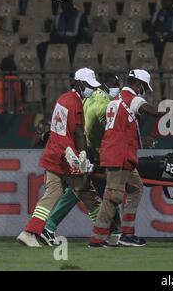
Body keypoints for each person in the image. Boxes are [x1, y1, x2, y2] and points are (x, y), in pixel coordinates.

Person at [17, 67, 102, 247]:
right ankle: (105, 232)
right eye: (88, 85)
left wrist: (80, 152)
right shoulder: (75, 103)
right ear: (79, 83)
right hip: (65, 157)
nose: (92, 89)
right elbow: (76, 132)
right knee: (87, 193)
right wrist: (79, 155)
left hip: (55, 154)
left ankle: (29, 232)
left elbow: (66, 130)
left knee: (53, 193)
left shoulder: (64, 99)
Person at [39, 74, 122, 245]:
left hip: (85, 150)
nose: (117, 88)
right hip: (90, 153)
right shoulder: (103, 104)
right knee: (80, 191)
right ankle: (49, 226)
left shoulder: (90, 97)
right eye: (115, 84)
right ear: (106, 86)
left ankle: (115, 231)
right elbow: (94, 129)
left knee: (96, 190)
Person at [89, 70, 166, 247]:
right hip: (119, 154)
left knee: (136, 188)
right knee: (113, 196)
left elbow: (122, 127)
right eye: (144, 88)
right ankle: (97, 239)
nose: (143, 91)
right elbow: (151, 111)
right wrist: (166, 111)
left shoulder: (115, 100)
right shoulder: (131, 97)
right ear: (139, 85)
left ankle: (127, 234)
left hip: (118, 152)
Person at [38, 0, 90, 65]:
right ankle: (44, 67)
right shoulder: (58, 16)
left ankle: (71, 68)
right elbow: (53, 32)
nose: (65, 7)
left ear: (71, 6)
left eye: (67, 5)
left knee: (71, 47)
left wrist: (78, 39)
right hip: (59, 40)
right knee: (41, 46)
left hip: (74, 41)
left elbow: (85, 32)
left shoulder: (81, 16)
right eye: (63, 5)